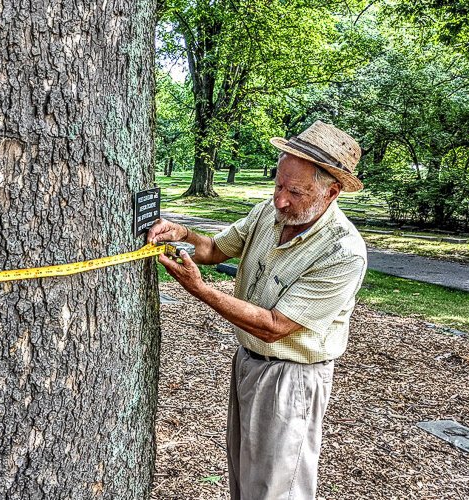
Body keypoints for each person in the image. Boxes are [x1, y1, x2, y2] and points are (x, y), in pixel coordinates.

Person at [148, 120, 367, 499]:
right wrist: (182, 234)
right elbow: (215, 250)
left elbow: (275, 327)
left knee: (277, 488)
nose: (281, 199)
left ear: (331, 192)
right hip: (248, 362)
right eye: (278, 184)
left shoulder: (342, 253)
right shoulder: (269, 211)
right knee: (244, 479)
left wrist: (200, 291)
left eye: (295, 192)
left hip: (292, 377)